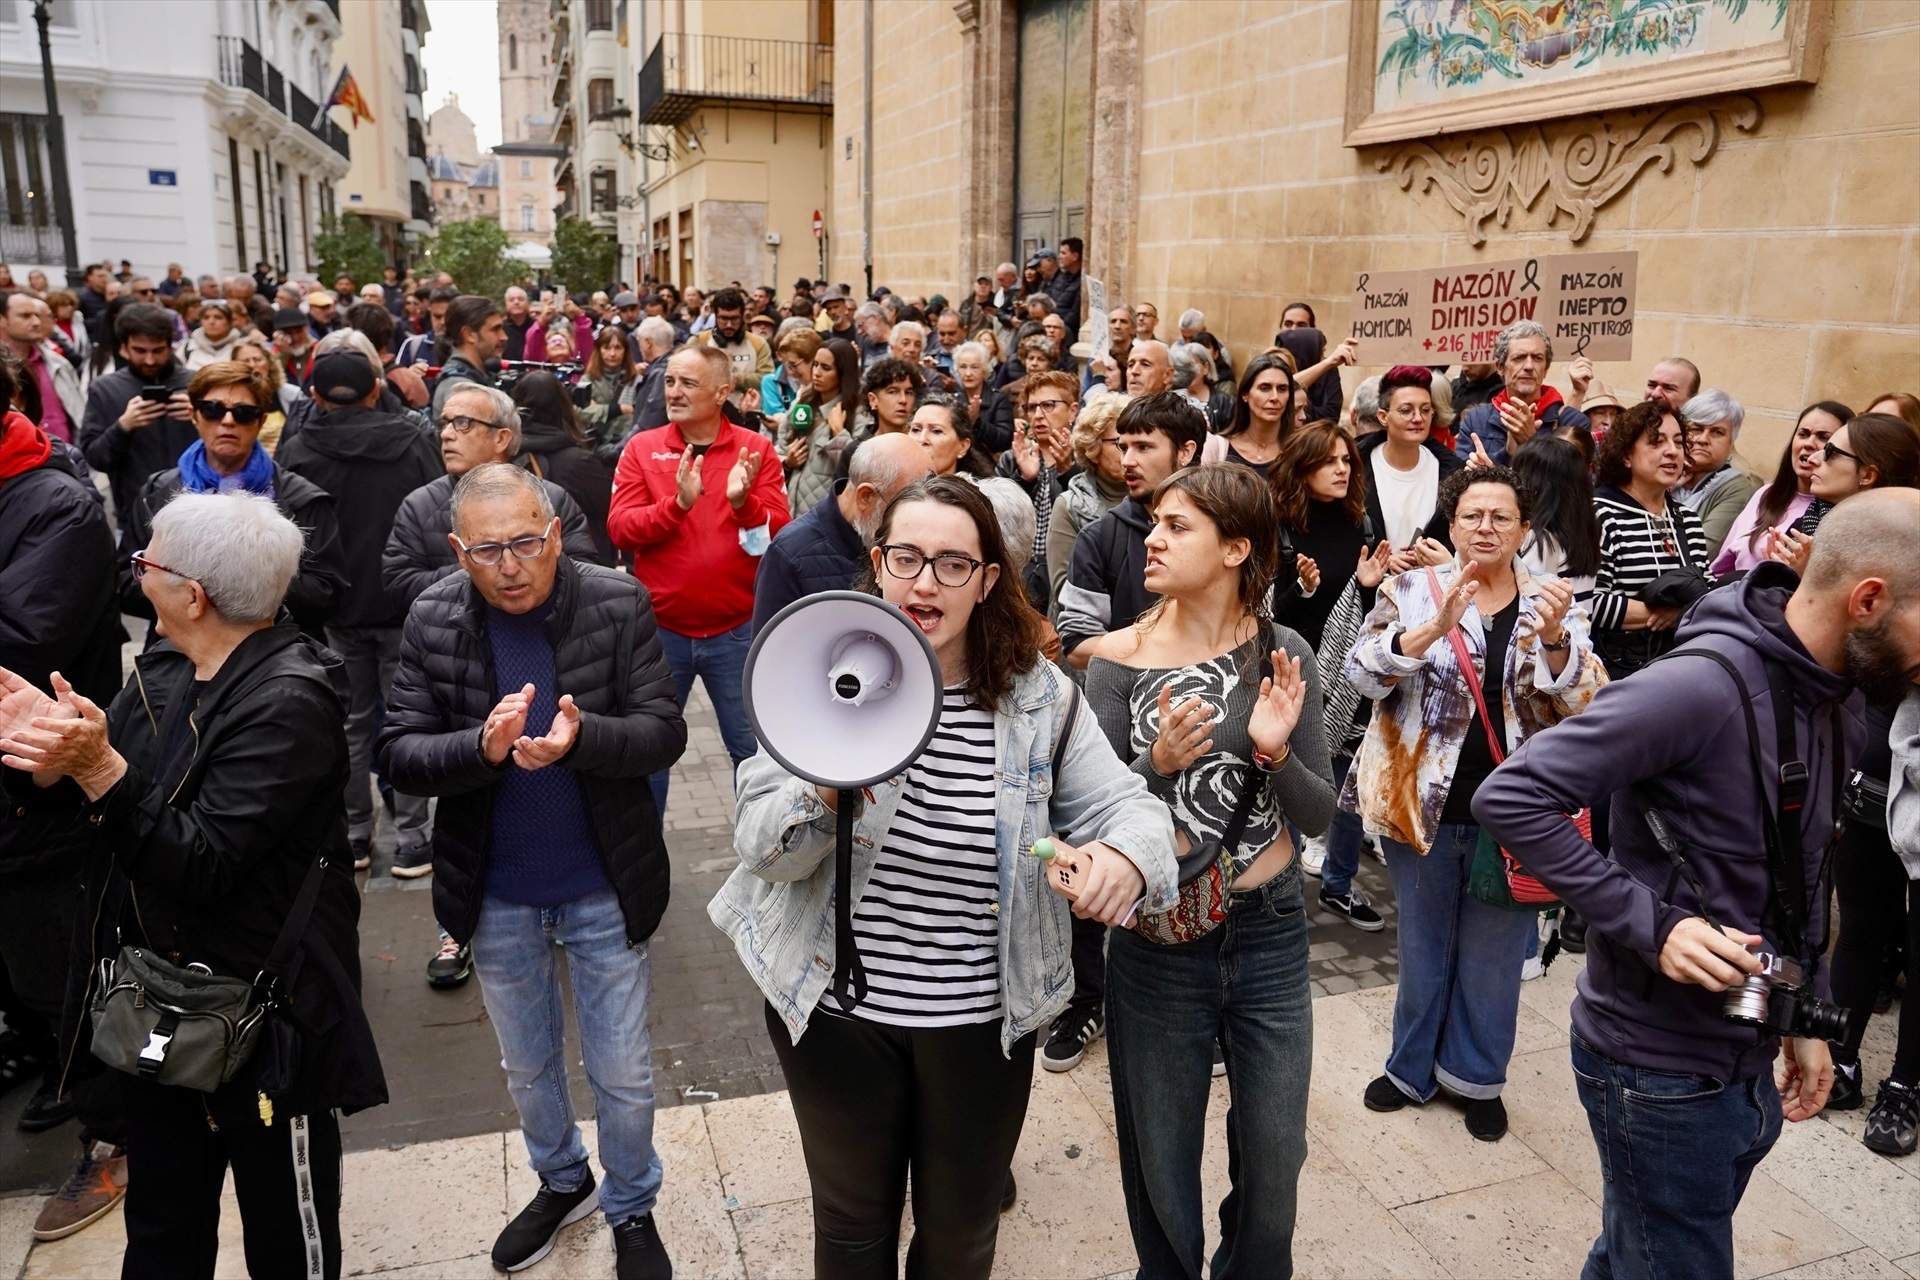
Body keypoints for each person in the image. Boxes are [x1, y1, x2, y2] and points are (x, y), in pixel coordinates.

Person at [719, 475, 1175, 1279]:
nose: (925, 581)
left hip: (979, 1026)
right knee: (854, 1228)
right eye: (906, 557)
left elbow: (1129, 811)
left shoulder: (1039, 701)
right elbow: (762, 846)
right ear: (878, 564)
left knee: (960, 1237)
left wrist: (1123, 858)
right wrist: (825, 780)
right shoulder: (817, 674)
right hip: (835, 1013)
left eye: (953, 564)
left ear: (989, 581)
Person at [1475, 487, 1920, 1278]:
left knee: (1632, 1254)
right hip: (1657, 1073)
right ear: (1869, 600)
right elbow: (1512, 797)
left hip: (1743, 1060)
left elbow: (1800, 874)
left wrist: (1806, 1013)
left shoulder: (1840, 698)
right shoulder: (1700, 687)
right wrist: (1656, 924)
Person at [0, 492, 387, 1279]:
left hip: (268, 1028)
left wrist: (99, 768)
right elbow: (118, 813)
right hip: (161, 1012)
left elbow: (201, 861)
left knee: (290, 1244)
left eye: (147, 558)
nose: (134, 567)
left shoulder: (290, 700)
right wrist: (59, 764)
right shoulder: (167, 670)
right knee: (164, 1235)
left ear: (192, 593)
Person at [377, 464, 684, 1280]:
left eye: (526, 543)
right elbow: (398, 752)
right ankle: (561, 1180)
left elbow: (663, 733)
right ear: (456, 550)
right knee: (527, 1063)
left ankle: (632, 1206)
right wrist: (478, 749)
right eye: (488, 550)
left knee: (623, 1070)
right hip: (497, 892)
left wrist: (582, 742)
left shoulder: (616, 602)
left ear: (556, 533)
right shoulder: (435, 614)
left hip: (604, 882)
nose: (511, 565)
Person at [1077, 462, 1331, 1278]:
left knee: (1276, 1156)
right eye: (1154, 522)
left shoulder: (1282, 652)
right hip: (1159, 944)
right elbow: (1087, 814)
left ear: (1235, 549)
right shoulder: (1115, 662)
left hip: (1272, 932)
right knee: (1160, 1156)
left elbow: (1321, 811)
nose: (1151, 538)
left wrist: (1275, 749)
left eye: (1177, 526)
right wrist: (1152, 766)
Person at [1347, 464, 1607, 1138]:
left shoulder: (1553, 602)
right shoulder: (1410, 587)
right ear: (1452, 524)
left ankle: (1477, 1078)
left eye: (1501, 517)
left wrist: (1555, 644)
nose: (1485, 527)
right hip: (1420, 807)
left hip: (1514, 817)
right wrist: (1428, 630)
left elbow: (1589, 702)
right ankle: (1409, 1069)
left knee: (1493, 960)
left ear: (1524, 530)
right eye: (1471, 516)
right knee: (1424, 947)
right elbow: (1360, 673)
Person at [0, 365, 128, 1223]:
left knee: (71, 972)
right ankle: (59, 1073)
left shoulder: (57, 506)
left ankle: (116, 1138)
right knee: (27, 977)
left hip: (42, 798)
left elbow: (22, 640)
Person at [277, 347, 442, 877]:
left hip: (336, 609)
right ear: (375, 389)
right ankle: (414, 839)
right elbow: (439, 509)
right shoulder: (415, 439)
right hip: (404, 602)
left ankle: (354, 834)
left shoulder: (299, 448)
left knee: (349, 724)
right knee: (409, 719)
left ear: (317, 397)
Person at [607, 347, 791, 818]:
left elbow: (778, 535)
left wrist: (744, 503)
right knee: (651, 754)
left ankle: (763, 860)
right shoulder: (642, 449)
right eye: (670, 381)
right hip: (660, 632)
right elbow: (621, 528)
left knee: (753, 756)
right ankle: (644, 867)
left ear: (722, 392)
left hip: (737, 631)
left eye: (688, 383)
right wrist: (677, 506)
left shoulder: (756, 450)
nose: (674, 392)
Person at [117, 361, 346, 642]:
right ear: (194, 415)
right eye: (213, 410)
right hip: (176, 659)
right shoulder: (157, 492)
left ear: (261, 421)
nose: (227, 421)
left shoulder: (302, 499)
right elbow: (125, 585)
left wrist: (242, 581)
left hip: (272, 657)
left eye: (244, 413)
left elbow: (326, 595)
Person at [1268, 422, 1392, 930]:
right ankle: (1284, 889)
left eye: (1346, 461)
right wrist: (1302, 588)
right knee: (1294, 783)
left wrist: (1368, 587)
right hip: (1292, 673)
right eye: (1328, 462)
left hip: (1352, 673)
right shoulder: (1278, 526)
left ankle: (1339, 884)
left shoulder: (1361, 521)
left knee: (1350, 786)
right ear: (1302, 469)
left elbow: (1377, 603)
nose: (1342, 469)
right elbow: (1269, 613)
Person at [1058, 392, 1209, 669]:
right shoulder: (1099, 538)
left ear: (1186, 452)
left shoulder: (1226, 529)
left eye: (1143, 447)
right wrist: (1162, 647)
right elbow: (1078, 646)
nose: (1127, 460)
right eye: (1122, 446)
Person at [750, 433, 933, 631]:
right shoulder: (790, 554)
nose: (916, 518)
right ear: (866, 497)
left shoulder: (908, 539)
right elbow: (771, 654)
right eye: (904, 505)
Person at [1589, 400, 1710, 680]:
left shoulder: (1687, 519)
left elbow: (1709, 592)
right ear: (1626, 455)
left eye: (1678, 443)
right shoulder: (1599, 514)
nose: (1672, 451)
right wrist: (1665, 613)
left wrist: (1681, 612)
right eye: (1656, 442)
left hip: (1678, 667)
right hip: (1617, 671)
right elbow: (1589, 603)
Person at [79, 303, 196, 527]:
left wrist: (202, 416)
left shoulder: (197, 383)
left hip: (197, 510)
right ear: (124, 347)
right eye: (140, 351)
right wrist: (123, 426)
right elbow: (95, 458)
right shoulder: (104, 389)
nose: (150, 360)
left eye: (158, 350)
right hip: (135, 516)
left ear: (170, 346)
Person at [1766, 412, 1920, 576]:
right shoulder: (1812, 518)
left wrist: (1808, 577)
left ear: (1867, 475)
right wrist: (1771, 570)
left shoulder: (1889, 545)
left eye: (1830, 452)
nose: (1813, 459)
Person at [1712, 402, 1851, 577]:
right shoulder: (1767, 493)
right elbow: (1722, 565)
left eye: (1823, 437)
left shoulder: (1836, 513)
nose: (1809, 443)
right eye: (1803, 434)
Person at [1359, 365, 1464, 560]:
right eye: (1406, 410)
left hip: (1433, 585)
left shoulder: (1453, 471)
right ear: (1383, 417)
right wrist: (1382, 562)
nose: (1418, 418)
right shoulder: (1355, 466)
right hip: (1369, 585)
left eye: (1425, 410)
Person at [1452, 320, 1592, 465]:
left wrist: (1531, 443)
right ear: (1500, 367)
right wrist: (1506, 455)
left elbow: (1571, 483)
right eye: (1519, 358)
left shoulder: (1572, 422)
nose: (1529, 366)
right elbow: (1457, 481)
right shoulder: (1476, 420)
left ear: (1546, 368)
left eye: (1538, 358)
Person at [512, 371, 617, 563]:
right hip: (581, 568)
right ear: (563, 405)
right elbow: (613, 513)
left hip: (525, 563)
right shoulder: (580, 464)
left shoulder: (504, 457)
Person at [1046, 392, 1131, 615]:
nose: (1130, 452)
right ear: (1093, 448)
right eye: (1119, 443)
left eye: (1137, 442)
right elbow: (1063, 589)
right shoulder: (1069, 506)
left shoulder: (1156, 498)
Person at [1511, 434, 1602, 604]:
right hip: (1578, 628)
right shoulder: (1584, 528)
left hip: (1548, 628)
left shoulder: (1541, 541)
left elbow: (1525, 604)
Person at [782, 336, 863, 517]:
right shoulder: (803, 402)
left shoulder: (856, 414)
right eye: (815, 365)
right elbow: (780, 446)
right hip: (790, 513)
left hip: (825, 517)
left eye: (826, 368)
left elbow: (860, 468)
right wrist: (788, 462)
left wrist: (839, 434)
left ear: (843, 373)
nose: (817, 373)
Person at [1673, 388, 1759, 556]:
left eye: (1717, 432)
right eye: (1696, 429)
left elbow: (1700, 552)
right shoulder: (1665, 471)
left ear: (1730, 443)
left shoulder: (1736, 487)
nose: (1703, 439)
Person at [2, 290, 81, 443]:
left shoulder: (58, 363)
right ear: (2, 320)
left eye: (37, 315)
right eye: (25, 316)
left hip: (66, 458)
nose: (37, 322)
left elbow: (78, 416)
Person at [1201, 352, 1295, 473]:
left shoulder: (1298, 452)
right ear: (1245, 394)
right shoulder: (1217, 449)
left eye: (1282, 389)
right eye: (1265, 388)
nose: (1275, 397)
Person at [430, 295, 506, 419]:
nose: (503, 337)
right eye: (495, 329)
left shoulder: (480, 376)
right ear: (469, 334)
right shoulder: (459, 389)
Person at [692, 287, 775, 381]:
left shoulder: (759, 344)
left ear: (742, 316)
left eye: (734, 318)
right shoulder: (699, 341)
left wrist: (734, 378)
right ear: (715, 316)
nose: (729, 324)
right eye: (723, 318)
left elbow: (768, 379)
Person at [906, 393, 990, 478]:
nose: (922, 439)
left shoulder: (985, 490)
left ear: (963, 447)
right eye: (915, 430)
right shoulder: (893, 488)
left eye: (936, 431)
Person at [582, 324, 638, 449]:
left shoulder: (636, 378)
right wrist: (616, 409)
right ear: (599, 350)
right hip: (599, 445)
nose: (612, 353)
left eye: (618, 348)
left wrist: (597, 408)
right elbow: (580, 412)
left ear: (625, 350)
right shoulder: (588, 379)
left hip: (628, 445)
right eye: (607, 348)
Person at [762, 325, 820, 420]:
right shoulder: (803, 390)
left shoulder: (826, 391)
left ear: (813, 360)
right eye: (788, 366)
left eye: (794, 365)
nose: (791, 372)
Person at [175, 297, 246, 370]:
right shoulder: (187, 348)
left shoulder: (242, 346)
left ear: (229, 322)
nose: (211, 322)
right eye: (206, 318)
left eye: (218, 317)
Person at [502, 285, 535, 362]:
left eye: (521, 299)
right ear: (506, 304)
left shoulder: (536, 327)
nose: (516, 302)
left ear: (528, 303)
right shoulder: (500, 328)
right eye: (511, 300)